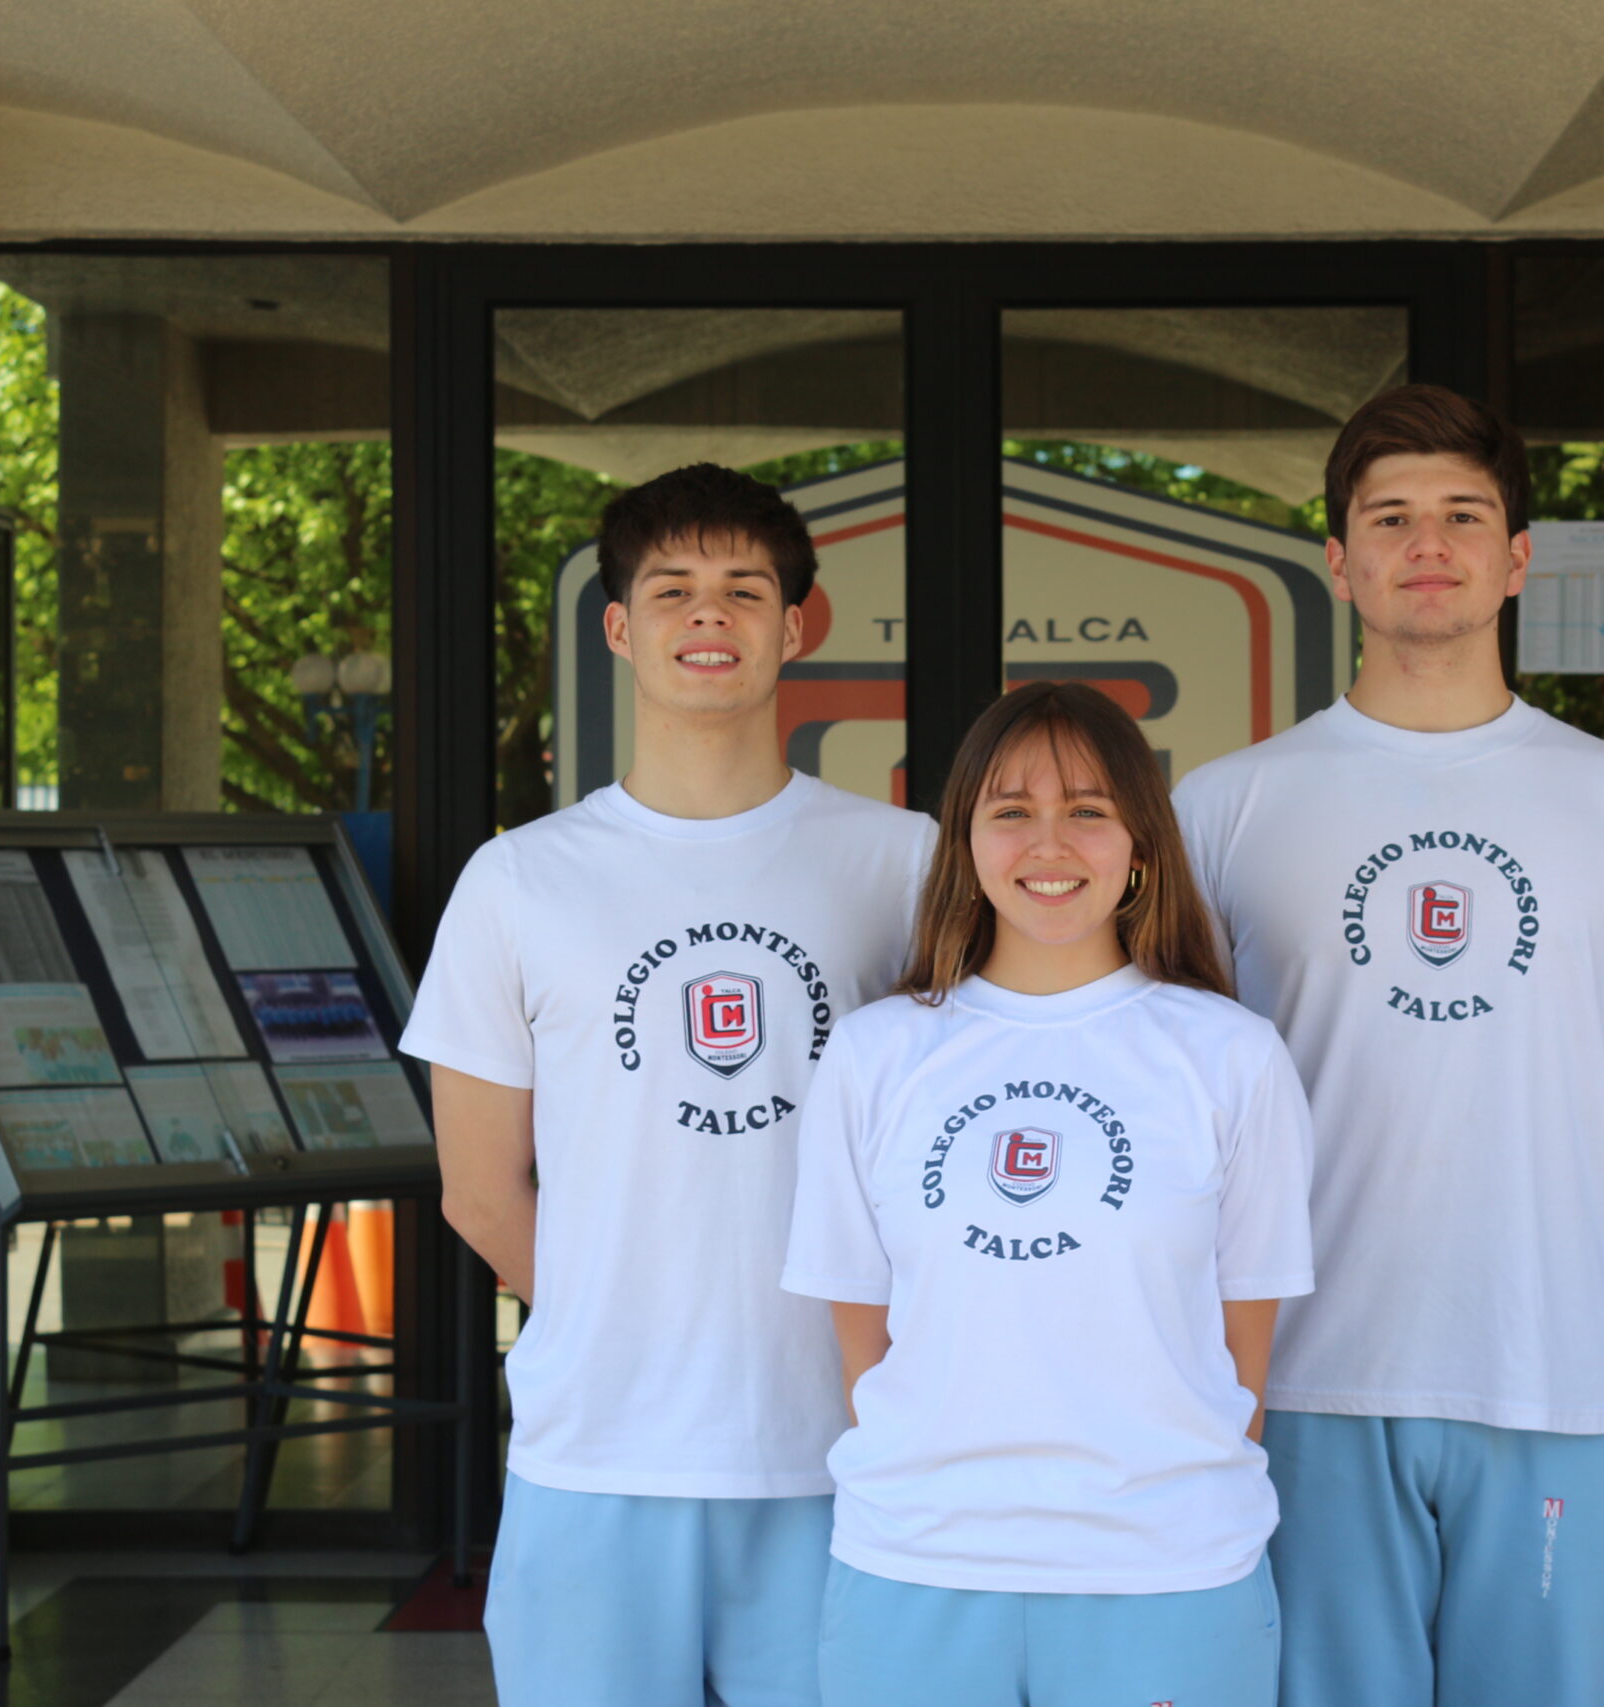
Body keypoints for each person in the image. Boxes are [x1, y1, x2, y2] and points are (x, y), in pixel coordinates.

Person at [1174, 385, 1604, 1707]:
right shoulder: (1226, 804)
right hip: (1303, 1376)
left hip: (1558, 1372)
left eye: (1462, 514)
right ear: (1338, 557)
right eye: (1389, 516)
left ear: (1515, 557)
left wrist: (1530, 1216)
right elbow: (1176, 1093)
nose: (1426, 542)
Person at [399, 463, 934, 1707]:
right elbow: (479, 1193)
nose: (710, 616)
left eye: (745, 590)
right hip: (600, 1451)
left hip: (841, 1448)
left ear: (798, 626)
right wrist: (623, 1317)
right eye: (675, 589)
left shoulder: (901, 863)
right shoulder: (518, 879)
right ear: (620, 629)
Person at [784, 680, 1316, 1707]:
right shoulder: (876, 1054)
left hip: (1166, 1571)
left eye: (1087, 809)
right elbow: (863, 1346)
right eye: (1011, 811)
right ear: (966, 844)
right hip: (918, 1569)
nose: (1049, 844)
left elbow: (1242, 1361)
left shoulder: (1229, 1057)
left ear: (1141, 843)